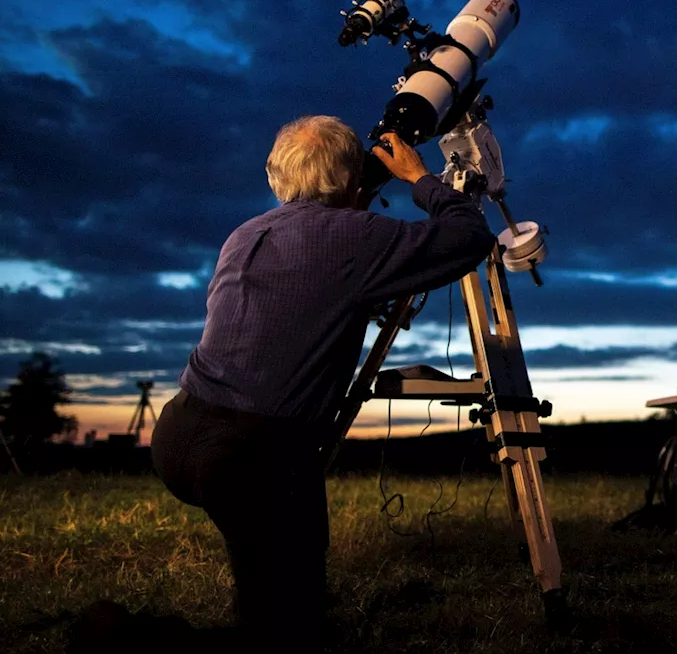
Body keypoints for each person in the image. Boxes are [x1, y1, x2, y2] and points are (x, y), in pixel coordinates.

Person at [149, 116, 495, 648]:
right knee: (285, 630)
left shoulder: (245, 234)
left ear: (276, 177)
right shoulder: (357, 236)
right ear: (354, 179)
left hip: (179, 436)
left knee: (274, 579)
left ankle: (278, 601)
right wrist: (418, 178)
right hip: (251, 457)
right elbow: (469, 235)